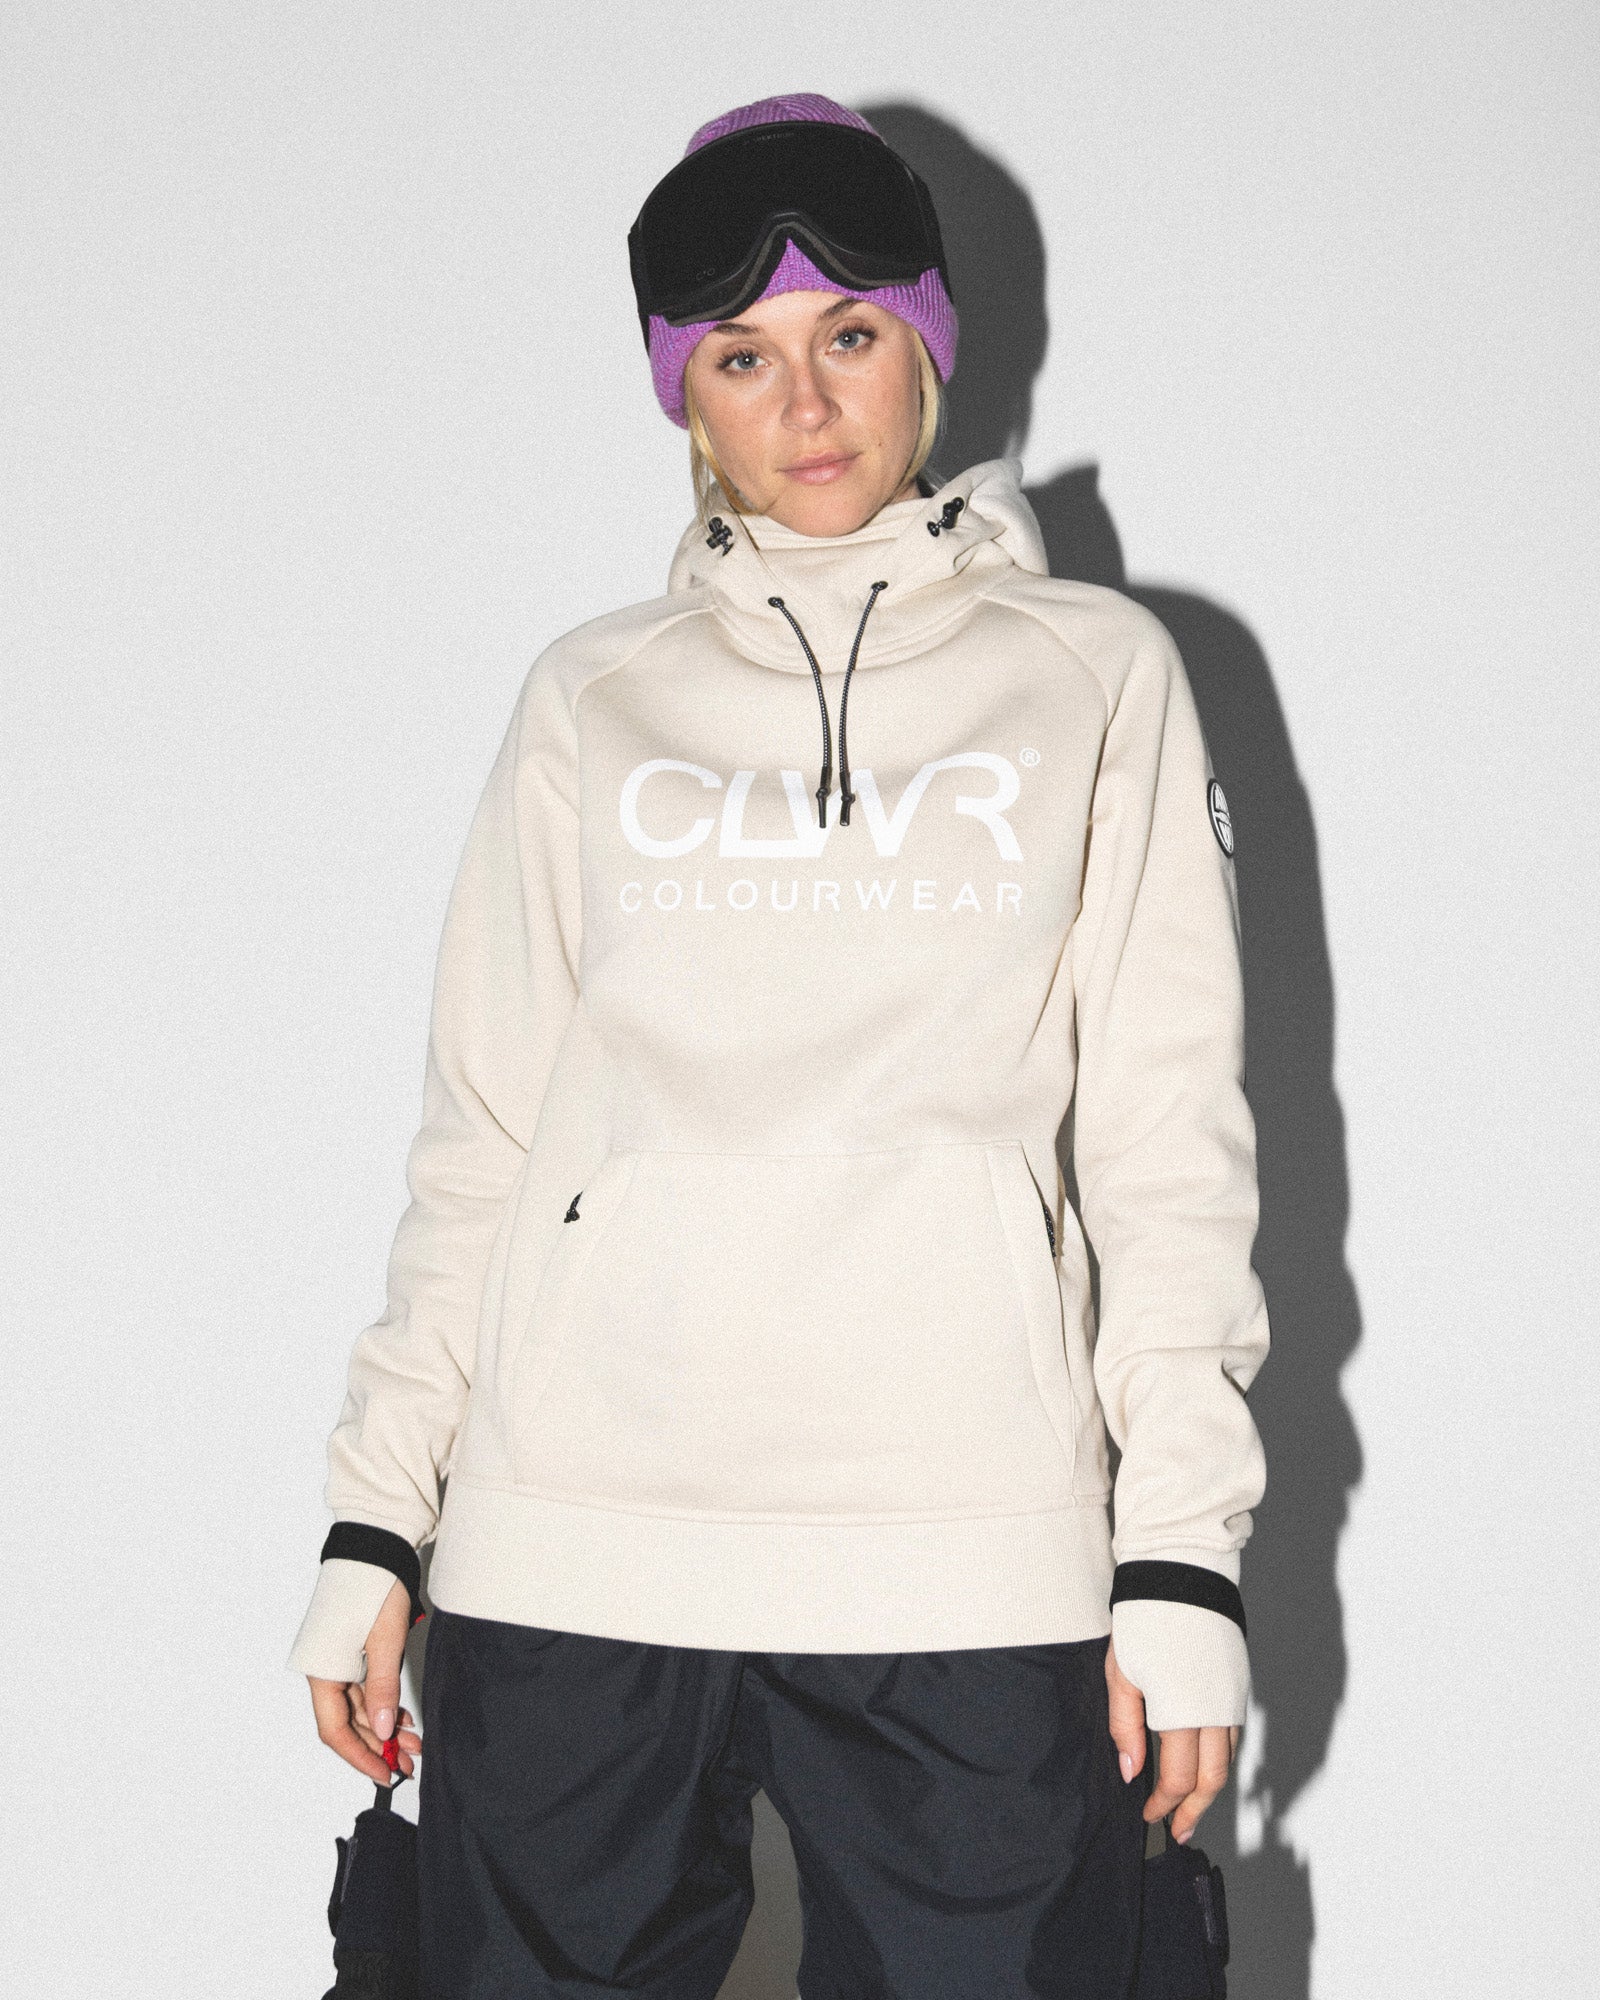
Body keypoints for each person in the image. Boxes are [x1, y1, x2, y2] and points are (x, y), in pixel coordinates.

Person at [289, 93, 1270, 1999]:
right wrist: (377, 1517)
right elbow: (483, 1137)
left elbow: (1172, 1146)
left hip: (967, 1551)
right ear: (686, 395)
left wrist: (1181, 1554)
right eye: (741, 356)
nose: (805, 404)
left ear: (929, 345)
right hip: (573, 1547)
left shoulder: (1093, 674)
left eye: (851, 336)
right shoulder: (592, 696)